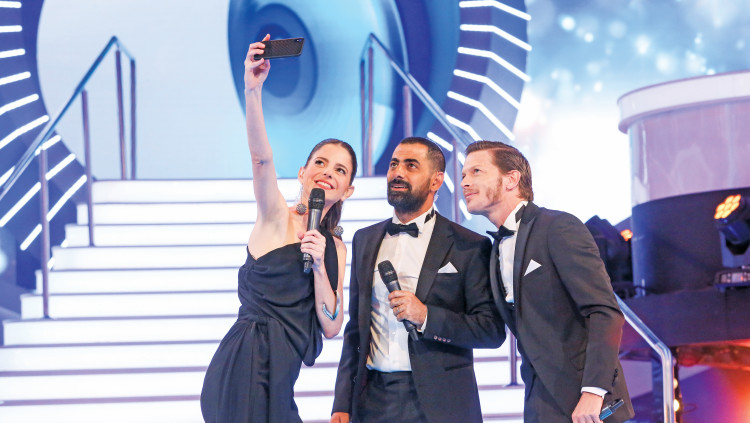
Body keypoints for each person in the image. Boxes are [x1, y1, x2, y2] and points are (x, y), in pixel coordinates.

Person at [200, 35, 355, 423]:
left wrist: (319, 266)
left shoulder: (336, 248)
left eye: (340, 170)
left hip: (283, 373)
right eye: (320, 163)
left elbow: (332, 325)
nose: (328, 172)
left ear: (348, 190)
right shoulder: (276, 216)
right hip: (245, 363)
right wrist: (253, 91)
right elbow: (261, 160)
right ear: (303, 172)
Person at [330, 137, 504, 423]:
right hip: (372, 400)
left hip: (440, 402)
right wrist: (342, 402)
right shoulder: (364, 239)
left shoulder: (469, 245)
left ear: (436, 181)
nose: (398, 173)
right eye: (393, 165)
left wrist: (426, 316)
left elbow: (491, 330)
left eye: (411, 166)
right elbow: (356, 330)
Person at [460, 140, 634, 423]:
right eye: (463, 175)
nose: (465, 182)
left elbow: (604, 311)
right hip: (539, 401)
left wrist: (593, 391)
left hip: (588, 404)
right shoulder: (493, 251)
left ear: (511, 179)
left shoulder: (557, 227)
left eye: (476, 171)